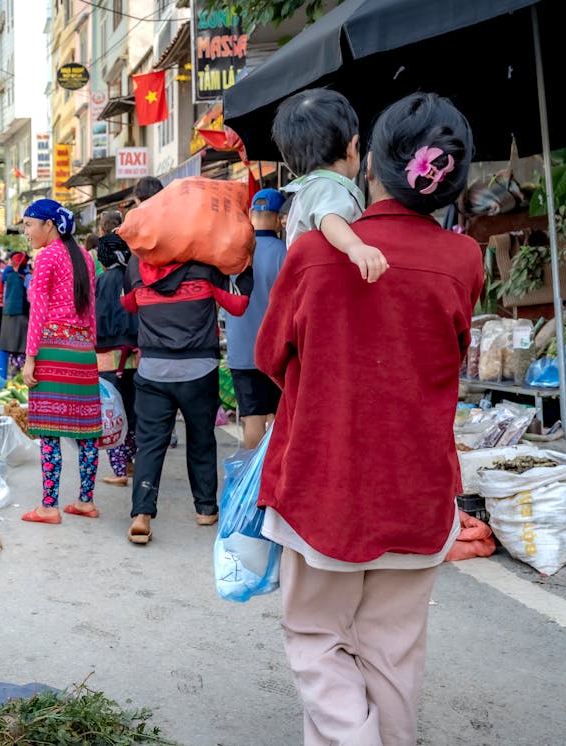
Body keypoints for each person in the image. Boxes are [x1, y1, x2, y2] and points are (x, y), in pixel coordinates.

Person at [258, 93, 480, 746]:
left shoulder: (312, 256)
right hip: (418, 487)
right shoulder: (463, 262)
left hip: (321, 482)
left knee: (317, 636)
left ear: (369, 163)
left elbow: (273, 356)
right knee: (392, 648)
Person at [120, 250, 253, 543]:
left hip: (153, 370)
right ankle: (205, 508)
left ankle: (141, 515)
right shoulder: (205, 264)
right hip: (198, 370)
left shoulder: (137, 264)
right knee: (201, 438)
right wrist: (246, 267)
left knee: (150, 443)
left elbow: (128, 303)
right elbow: (238, 304)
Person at [18, 200, 101, 525]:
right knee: (86, 432)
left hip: (53, 350)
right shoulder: (84, 256)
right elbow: (91, 311)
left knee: (50, 433)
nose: (27, 232)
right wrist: (89, 348)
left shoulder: (47, 257)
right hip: (82, 352)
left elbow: (38, 312)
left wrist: (30, 359)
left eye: (29, 225)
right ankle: (85, 501)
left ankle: (49, 506)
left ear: (48, 224)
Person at [273, 88, 389, 282]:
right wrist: (355, 246)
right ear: (352, 146)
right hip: (324, 281)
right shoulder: (328, 186)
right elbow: (330, 217)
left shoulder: (310, 188)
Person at [225, 189, 288, 450]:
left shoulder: (234, 253)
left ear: (251, 215)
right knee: (277, 419)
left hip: (241, 350)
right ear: (278, 219)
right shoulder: (286, 253)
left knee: (252, 418)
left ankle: (253, 482)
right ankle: (272, 478)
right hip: (276, 350)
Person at [94, 210, 139, 487]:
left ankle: (119, 469)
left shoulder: (99, 282)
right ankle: (132, 463)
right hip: (135, 355)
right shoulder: (133, 279)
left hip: (107, 359)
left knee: (112, 413)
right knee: (133, 412)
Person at [0, 250, 31, 373]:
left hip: (8, 313)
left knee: (12, 344)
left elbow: (5, 295)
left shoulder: (7, 276)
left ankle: (13, 369)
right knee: (21, 343)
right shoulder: (27, 277)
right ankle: (20, 370)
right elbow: (30, 296)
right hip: (21, 313)